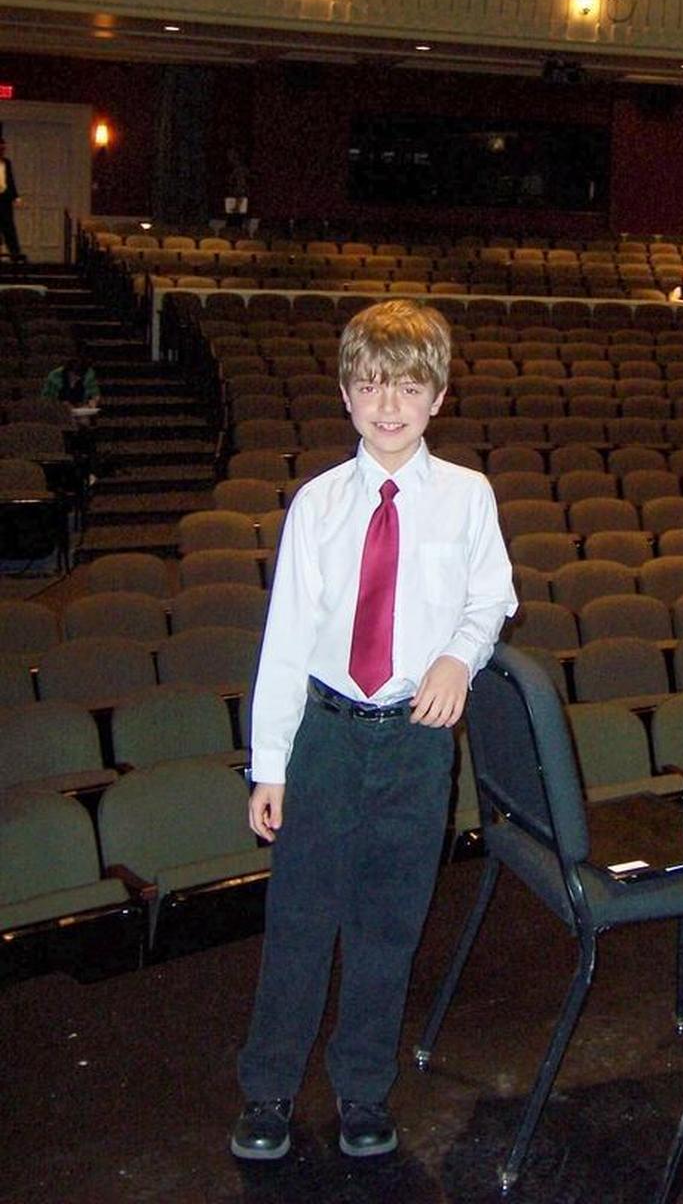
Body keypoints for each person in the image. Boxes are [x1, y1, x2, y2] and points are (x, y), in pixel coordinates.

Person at [230, 299, 516, 1164]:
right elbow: (284, 642)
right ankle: (271, 1090)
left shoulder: (469, 497)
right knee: (300, 923)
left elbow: (491, 596)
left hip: (416, 743)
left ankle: (362, 1089)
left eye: (407, 387)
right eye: (369, 385)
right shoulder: (317, 506)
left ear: (438, 397)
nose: (387, 404)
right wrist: (269, 766)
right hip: (325, 737)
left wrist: (459, 658)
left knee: (390, 927)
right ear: (346, 397)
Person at [0, 133, 26, 264]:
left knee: (8, 226)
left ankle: (15, 255)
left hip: (4, 198)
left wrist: (16, 197)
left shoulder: (7, 163)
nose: (2, 151)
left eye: (3, 148)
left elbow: (10, 181)